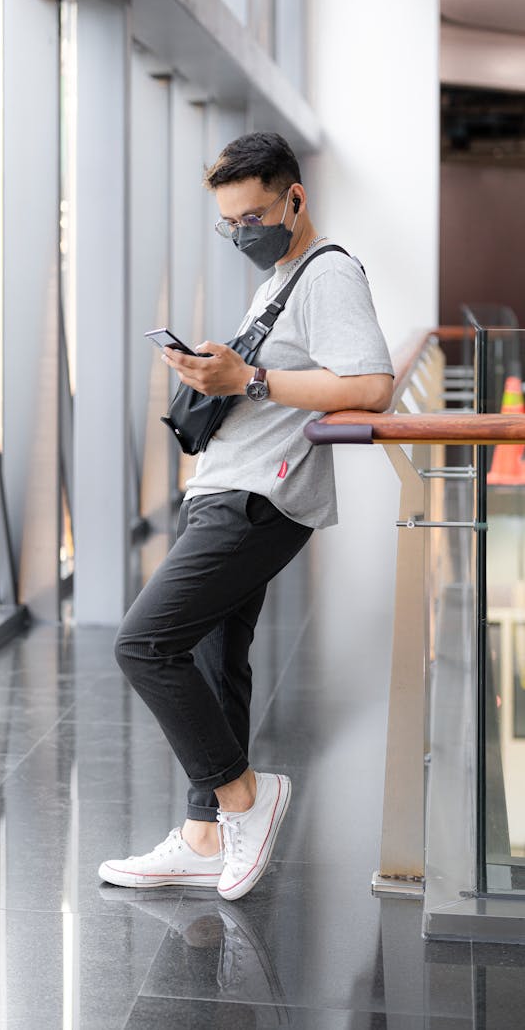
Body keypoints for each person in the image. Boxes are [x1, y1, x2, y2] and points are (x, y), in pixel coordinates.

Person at [99, 132, 394, 901]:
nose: (243, 234)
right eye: (229, 224)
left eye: (255, 216)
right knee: (211, 657)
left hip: (261, 495)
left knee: (144, 645)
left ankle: (242, 798)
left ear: (296, 198)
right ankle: (203, 837)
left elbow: (369, 386)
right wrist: (219, 372)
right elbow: (271, 375)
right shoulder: (282, 278)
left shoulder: (327, 273)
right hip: (226, 486)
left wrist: (251, 378)